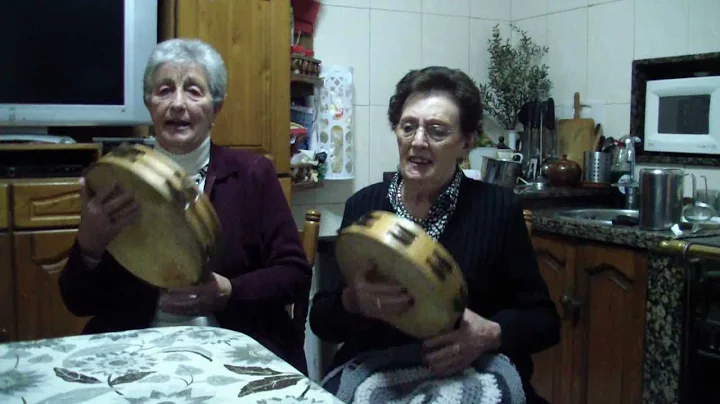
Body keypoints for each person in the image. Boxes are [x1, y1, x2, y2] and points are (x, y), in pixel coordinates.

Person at [59, 39, 311, 374]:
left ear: (215, 108)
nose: (177, 104)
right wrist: (89, 245)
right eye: (164, 90)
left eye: (193, 91)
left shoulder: (252, 175)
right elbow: (78, 302)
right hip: (138, 350)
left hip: (234, 349)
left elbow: (294, 274)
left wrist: (229, 291)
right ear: (149, 103)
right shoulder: (118, 181)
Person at [309, 66, 560, 402]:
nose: (418, 142)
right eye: (407, 127)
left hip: (473, 371)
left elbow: (544, 321)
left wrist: (488, 335)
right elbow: (322, 320)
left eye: (437, 131)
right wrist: (353, 302)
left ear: (466, 143)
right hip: (376, 372)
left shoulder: (498, 210)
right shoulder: (364, 206)